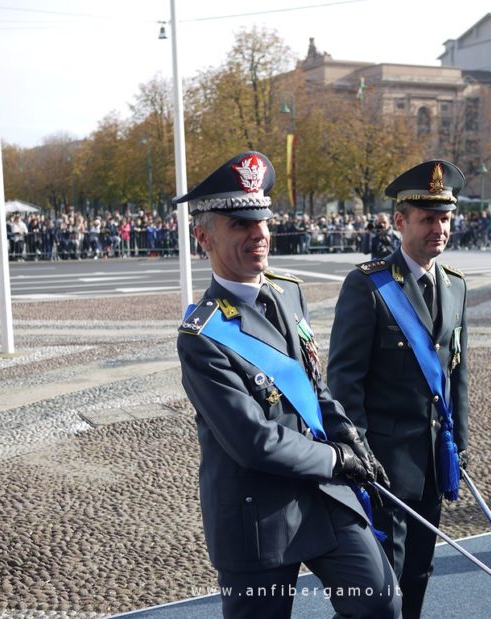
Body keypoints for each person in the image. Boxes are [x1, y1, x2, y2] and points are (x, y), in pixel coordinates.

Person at [175, 151, 400, 619]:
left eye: (263, 221)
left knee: (379, 602)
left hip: (322, 492)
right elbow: (253, 441)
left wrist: (349, 435)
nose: (259, 234)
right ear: (203, 237)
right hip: (258, 513)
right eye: (240, 224)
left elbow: (313, 385)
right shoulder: (201, 337)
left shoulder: (288, 292)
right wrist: (337, 459)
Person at [327, 159, 470, 619]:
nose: (438, 229)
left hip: (433, 461)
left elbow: (456, 373)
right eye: (427, 219)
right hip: (385, 465)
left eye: (444, 218)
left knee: (420, 571)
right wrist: (360, 456)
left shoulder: (455, 286)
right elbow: (345, 380)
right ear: (400, 222)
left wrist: (459, 445)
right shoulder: (368, 285)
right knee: (382, 582)